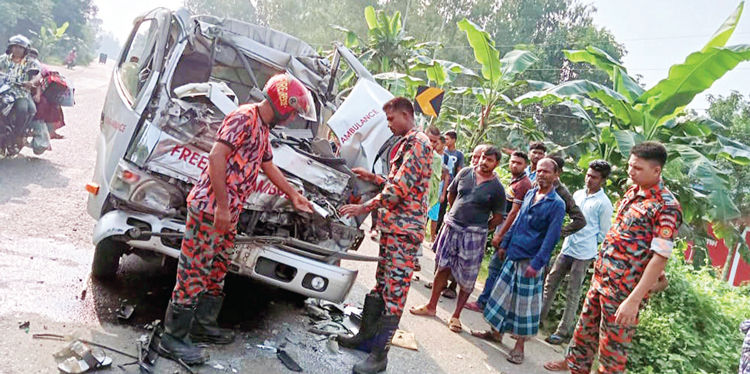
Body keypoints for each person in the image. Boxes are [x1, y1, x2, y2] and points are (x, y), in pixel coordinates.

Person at [157, 73, 315, 365]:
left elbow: (267, 165)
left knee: (217, 269)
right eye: (292, 112)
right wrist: (222, 208)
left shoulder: (262, 126)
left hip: (228, 212)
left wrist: (293, 194)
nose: (293, 118)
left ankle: (203, 325)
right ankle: (172, 338)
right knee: (194, 269)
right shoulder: (244, 117)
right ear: (281, 104)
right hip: (210, 209)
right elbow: (216, 157)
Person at [544, 141, 683, 374]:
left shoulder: (666, 206)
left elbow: (660, 256)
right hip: (602, 279)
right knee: (584, 332)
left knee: (611, 352)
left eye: (637, 168)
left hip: (624, 291)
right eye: (630, 166)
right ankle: (575, 365)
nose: (630, 171)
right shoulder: (632, 193)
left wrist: (634, 300)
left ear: (656, 170)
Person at [338, 97, 433, 374]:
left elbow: (399, 190)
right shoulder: (406, 143)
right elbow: (398, 182)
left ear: (406, 115)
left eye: (391, 120)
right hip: (394, 228)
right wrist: (373, 177)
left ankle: (379, 357)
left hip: (404, 231)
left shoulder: (418, 143)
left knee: (395, 293)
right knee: (382, 286)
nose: (389, 125)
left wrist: (363, 206)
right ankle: (366, 339)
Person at [471, 158, 565, 365]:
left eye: (547, 172)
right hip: (513, 252)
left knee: (525, 306)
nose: (541, 174)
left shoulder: (557, 204)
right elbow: (517, 221)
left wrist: (537, 263)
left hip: (530, 260)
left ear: (556, 175)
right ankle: (495, 333)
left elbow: (551, 238)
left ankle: (519, 347)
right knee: (501, 295)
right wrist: (504, 243)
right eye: (539, 171)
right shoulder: (531, 193)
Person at [409, 146, 506, 333]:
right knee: (442, 266)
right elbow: (452, 194)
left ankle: (456, 316)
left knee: (468, 277)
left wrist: (482, 226)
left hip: (474, 235)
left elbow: (498, 217)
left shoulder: (497, 188)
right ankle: (431, 306)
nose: (484, 162)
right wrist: (455, 213)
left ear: (497, 164)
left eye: (490, 160)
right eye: (483, 157)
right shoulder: (465, 173)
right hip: (453, 227)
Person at [540, 160, 614, 345]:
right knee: (550, 282)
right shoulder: (578, 194)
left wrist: (589, 244)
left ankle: (562, 331)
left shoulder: (604, 203)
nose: (589, 179)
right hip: (567, 247)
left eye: (594, 177)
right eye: (588, 175)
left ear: (602, 180)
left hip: (584, 253)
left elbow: (603, 233)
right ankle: (538, 318)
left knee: (573, 292)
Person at [465, 150, 532, 313]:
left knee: (495, 267)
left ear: (526, 166)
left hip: (508, 233)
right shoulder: (515, 181)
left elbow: (514, 212)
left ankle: (484, 302)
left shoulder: (523, 184)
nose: (514, 165)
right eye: (513, 161)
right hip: (504, 230)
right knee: (496, 267)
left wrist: (501, 234)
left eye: (519, 163)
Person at [0, 35, 41, 150]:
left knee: (22, 109)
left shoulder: (30, 62)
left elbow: (38, 76)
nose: (17, 49)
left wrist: (31, 82)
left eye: (20, 47)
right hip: (3, 88)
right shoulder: (4, 59)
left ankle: (17, 135)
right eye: (15, 46)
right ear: (11, 47)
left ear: (25, 50)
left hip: (21, 92)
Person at [433, 129, 464, 234]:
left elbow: (459, 169)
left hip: (449, 185)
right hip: (438, 182)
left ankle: (436, 231)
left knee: (441, 209)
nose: (445, 141)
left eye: (448, 139)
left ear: (454, 140)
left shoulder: (458, 155)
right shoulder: (441, 152)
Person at [427, 134, 449, 241]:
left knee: (434, 216)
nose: (433, 144)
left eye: (436, 142)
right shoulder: (426, 153)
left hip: (436, 191)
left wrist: (443, 193)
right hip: (426, 190)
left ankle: (432, 237)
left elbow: (447, 175)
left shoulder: (445, 158)